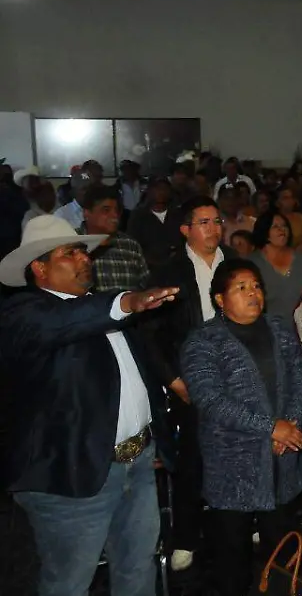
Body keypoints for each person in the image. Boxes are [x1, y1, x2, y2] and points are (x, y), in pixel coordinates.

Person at [0, 215, 178, 596]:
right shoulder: (23, 314)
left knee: (137, 568)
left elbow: (138, 377)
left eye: (84, 251)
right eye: (71, 253)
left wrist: (152, 438)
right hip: (70, 478)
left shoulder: (100, 308)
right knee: (69, 582)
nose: (85, 259)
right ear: (40, 268)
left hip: (137, 465)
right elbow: (65, 324)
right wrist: (126, 301)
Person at [180, 258, 302, 596]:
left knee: (282, 556)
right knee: (232, 563)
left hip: (280, 460)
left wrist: (291, 424)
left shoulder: (279, 328)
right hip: (231, 466)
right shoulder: (203, 341)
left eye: (255, 286)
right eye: (241, 288)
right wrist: (271, 428)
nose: (253, 293)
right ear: (220, 300)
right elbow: (210, 400)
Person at [143, 196, 229, 571]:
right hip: (191, 378)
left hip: (237, 375)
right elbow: (150, 334)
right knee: (193, 458)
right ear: (186, 230)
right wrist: (173, 379)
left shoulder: (237, 266)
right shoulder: (169, 272)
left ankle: (241, 519)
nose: (214, 229)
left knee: (239, 451)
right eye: (205, 222)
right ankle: (186, 537)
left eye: (217, 221)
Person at [80, 185, 150, 292]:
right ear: (87, 213)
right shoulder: (71, 244)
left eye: (117, 210)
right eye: (106, 210)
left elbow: (145, 285)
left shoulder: (130, 245)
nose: (115, 215)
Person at [249, 210, 302, 316]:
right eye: (275, 226)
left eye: (284, 226)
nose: (282, 229)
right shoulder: (252, 263)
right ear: (264, 231)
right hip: (268, 327)